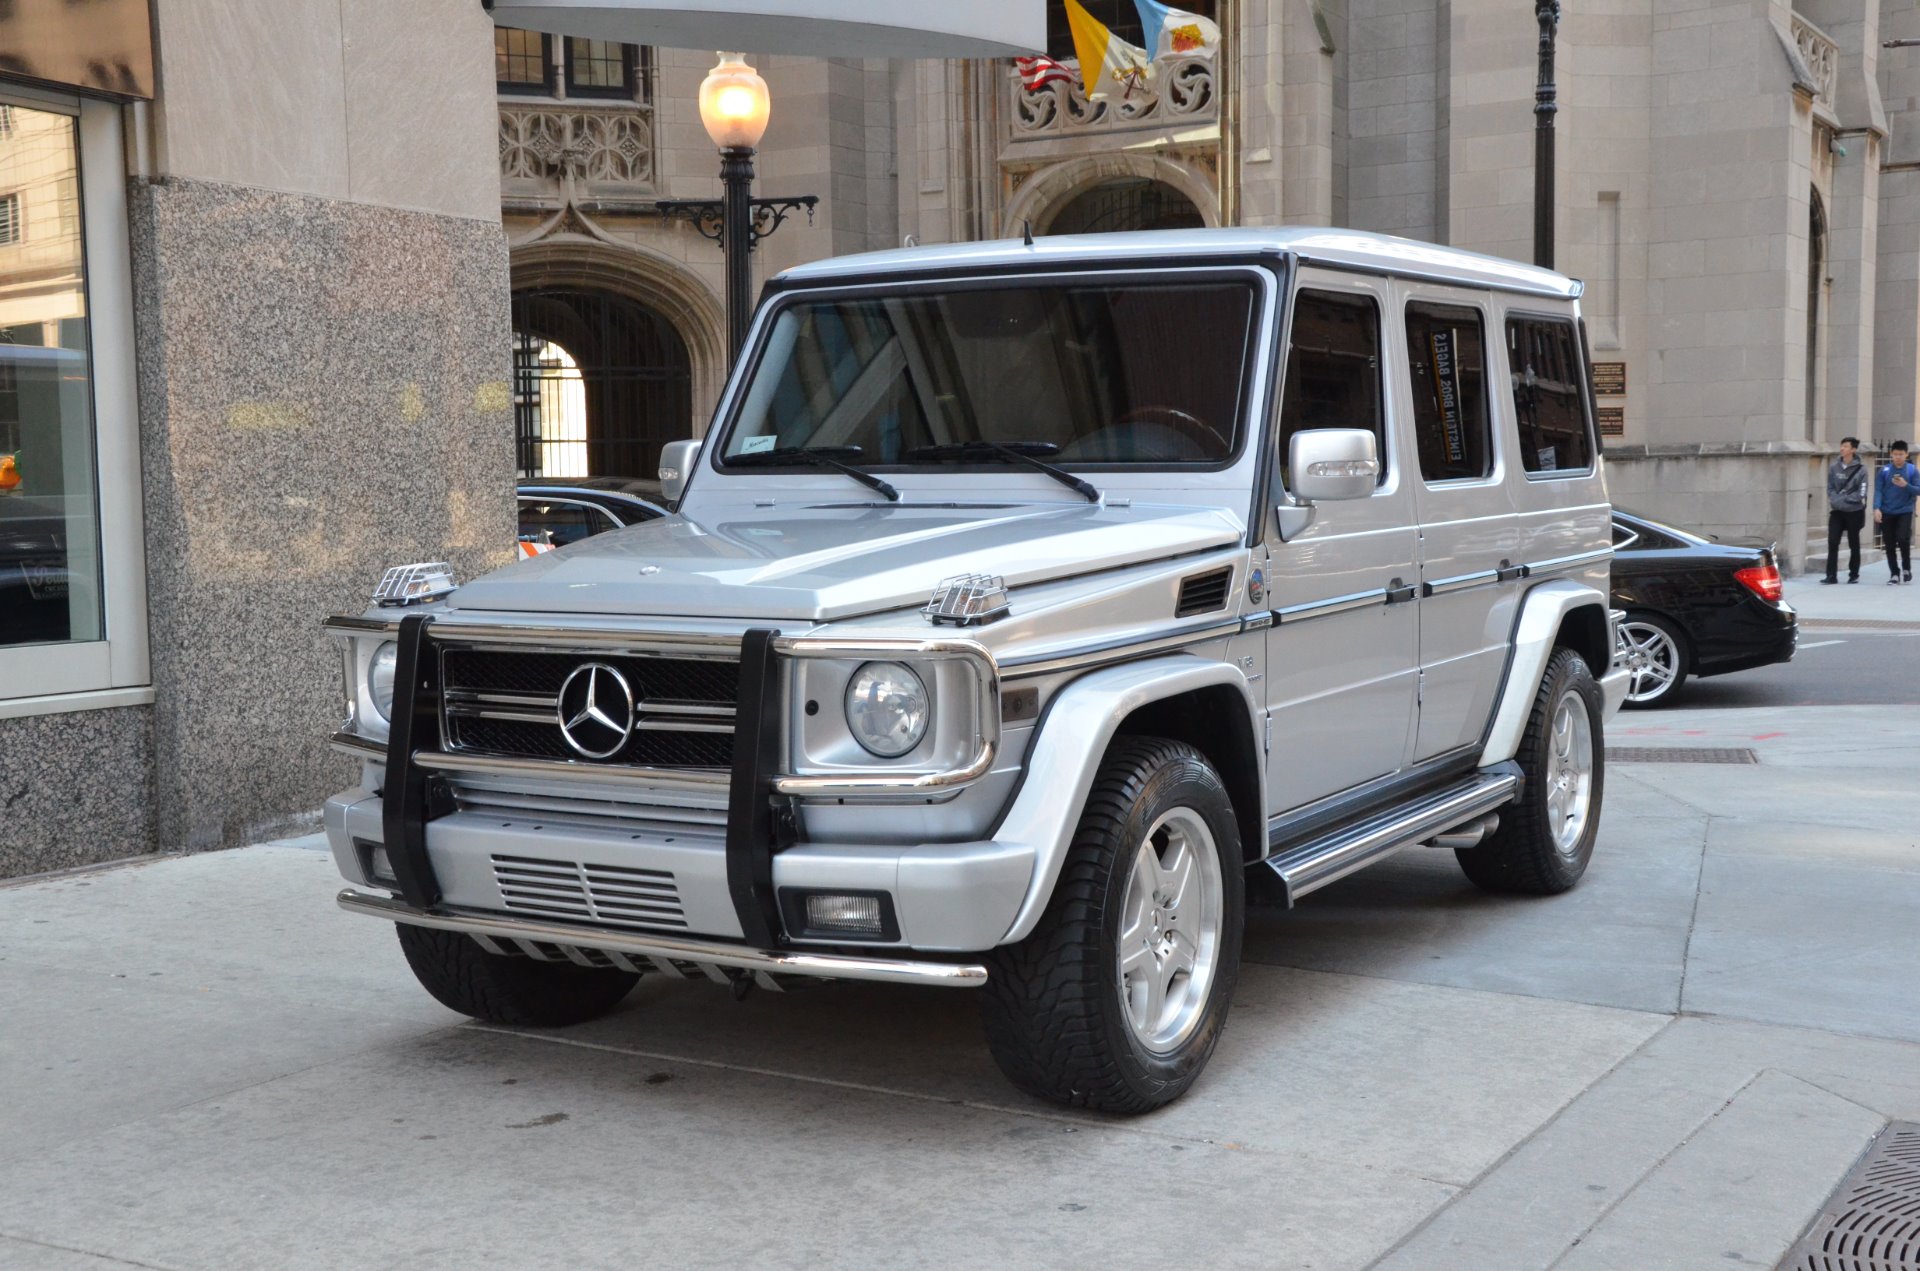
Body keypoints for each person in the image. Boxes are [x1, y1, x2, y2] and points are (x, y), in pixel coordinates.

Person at [1824, 436, 1868, 583]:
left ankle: (1853, 574)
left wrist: (1845, 499)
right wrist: (1835, 499)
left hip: (1853, 511)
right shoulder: (1834, 467)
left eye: (1846, 446)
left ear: (1853, 450)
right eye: (1841, 445)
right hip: (1837, 511)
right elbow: (1830, 487)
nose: (1842, 448)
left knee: (1853, 543)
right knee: (1832, 542)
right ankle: (1831, 575)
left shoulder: (1861, 469)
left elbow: (1862, 492)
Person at [1876, 440, 1920, 584]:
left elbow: (1918, 489)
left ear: (1906, 454)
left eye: (1901, 454)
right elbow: (1878, 490)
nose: (1898, 457)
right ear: (1891, 455)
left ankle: (1906, 568)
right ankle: (1894, 573)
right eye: (1895, 454)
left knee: (1902, 539)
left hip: (1905, 510)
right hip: (1887, 510)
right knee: (1889, 544)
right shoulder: (1884, 471)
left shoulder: (1912, 470)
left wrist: (1905, 485)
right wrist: (1876, 508)